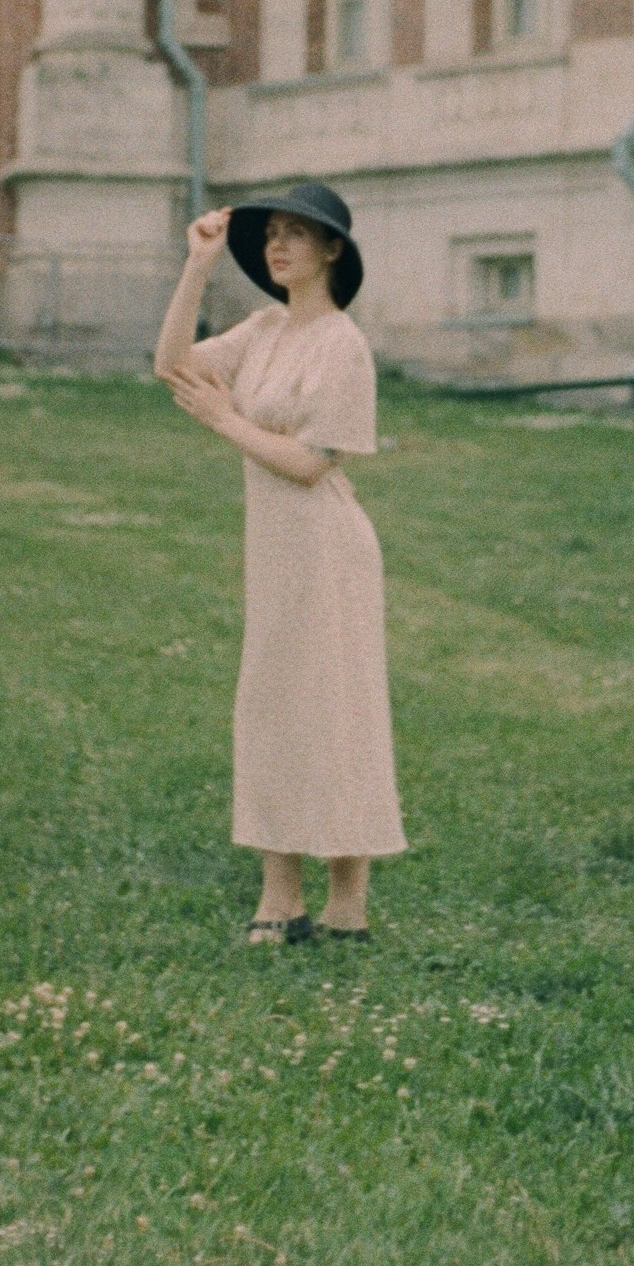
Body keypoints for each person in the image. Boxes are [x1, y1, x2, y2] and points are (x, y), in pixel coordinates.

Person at [155, 181, 406, 945]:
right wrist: (198, 264)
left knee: (339, 712)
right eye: (271, 234)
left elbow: (309, 464)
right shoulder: (262, 329)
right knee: (271, 710)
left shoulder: (343, 344)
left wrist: (227, 421)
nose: (278, 245)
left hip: (330, 551)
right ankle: (278, 900)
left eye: (299, 233)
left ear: (332, 250)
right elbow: (172, 366)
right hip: (275, 554)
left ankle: (347, 907)